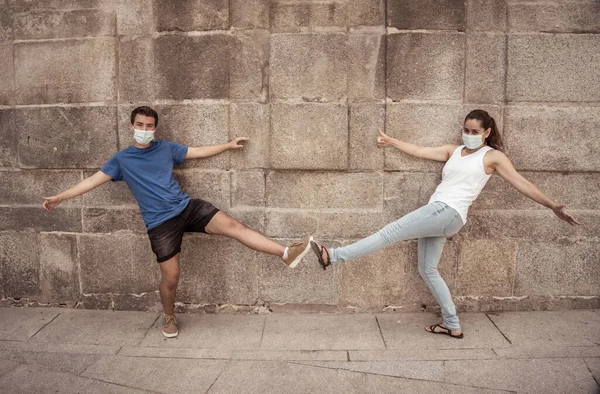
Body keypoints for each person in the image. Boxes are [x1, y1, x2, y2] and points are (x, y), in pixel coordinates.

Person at [42, 106, 312, 338]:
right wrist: (60, 197)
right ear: (131, 126)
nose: (145, 129)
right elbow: (91, 181)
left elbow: (197, 152)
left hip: (186, 207)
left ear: (155, 129)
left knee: (235, 227)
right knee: (171, 277)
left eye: (149, 126)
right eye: (140, 125)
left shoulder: (165, 148)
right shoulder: (121, 160)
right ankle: (168, 315)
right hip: (160, 223)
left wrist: (227, 145)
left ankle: (285, 253)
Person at [310, 109, 580, 339]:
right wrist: (392, 142)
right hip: (443, 217)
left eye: (475, 131)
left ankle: (332, 256)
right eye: (466, 130)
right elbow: (419, 151)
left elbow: (522, 183)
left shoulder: (492, 157)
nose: (469, 135)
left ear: (486, 132)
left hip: (446, 212)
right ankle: (451, 324)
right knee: (427, 269)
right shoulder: (455, 150)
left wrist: (552, 205)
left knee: (389, 232)